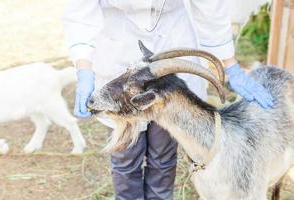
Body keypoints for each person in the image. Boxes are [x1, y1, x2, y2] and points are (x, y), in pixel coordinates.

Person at [63, 0, 273, 199]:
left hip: (171, 37)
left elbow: (209, 6)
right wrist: (84, 70)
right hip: (117, 46)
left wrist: (230, 65)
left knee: (163, 155)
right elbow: (80, 12)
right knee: (125, 157)